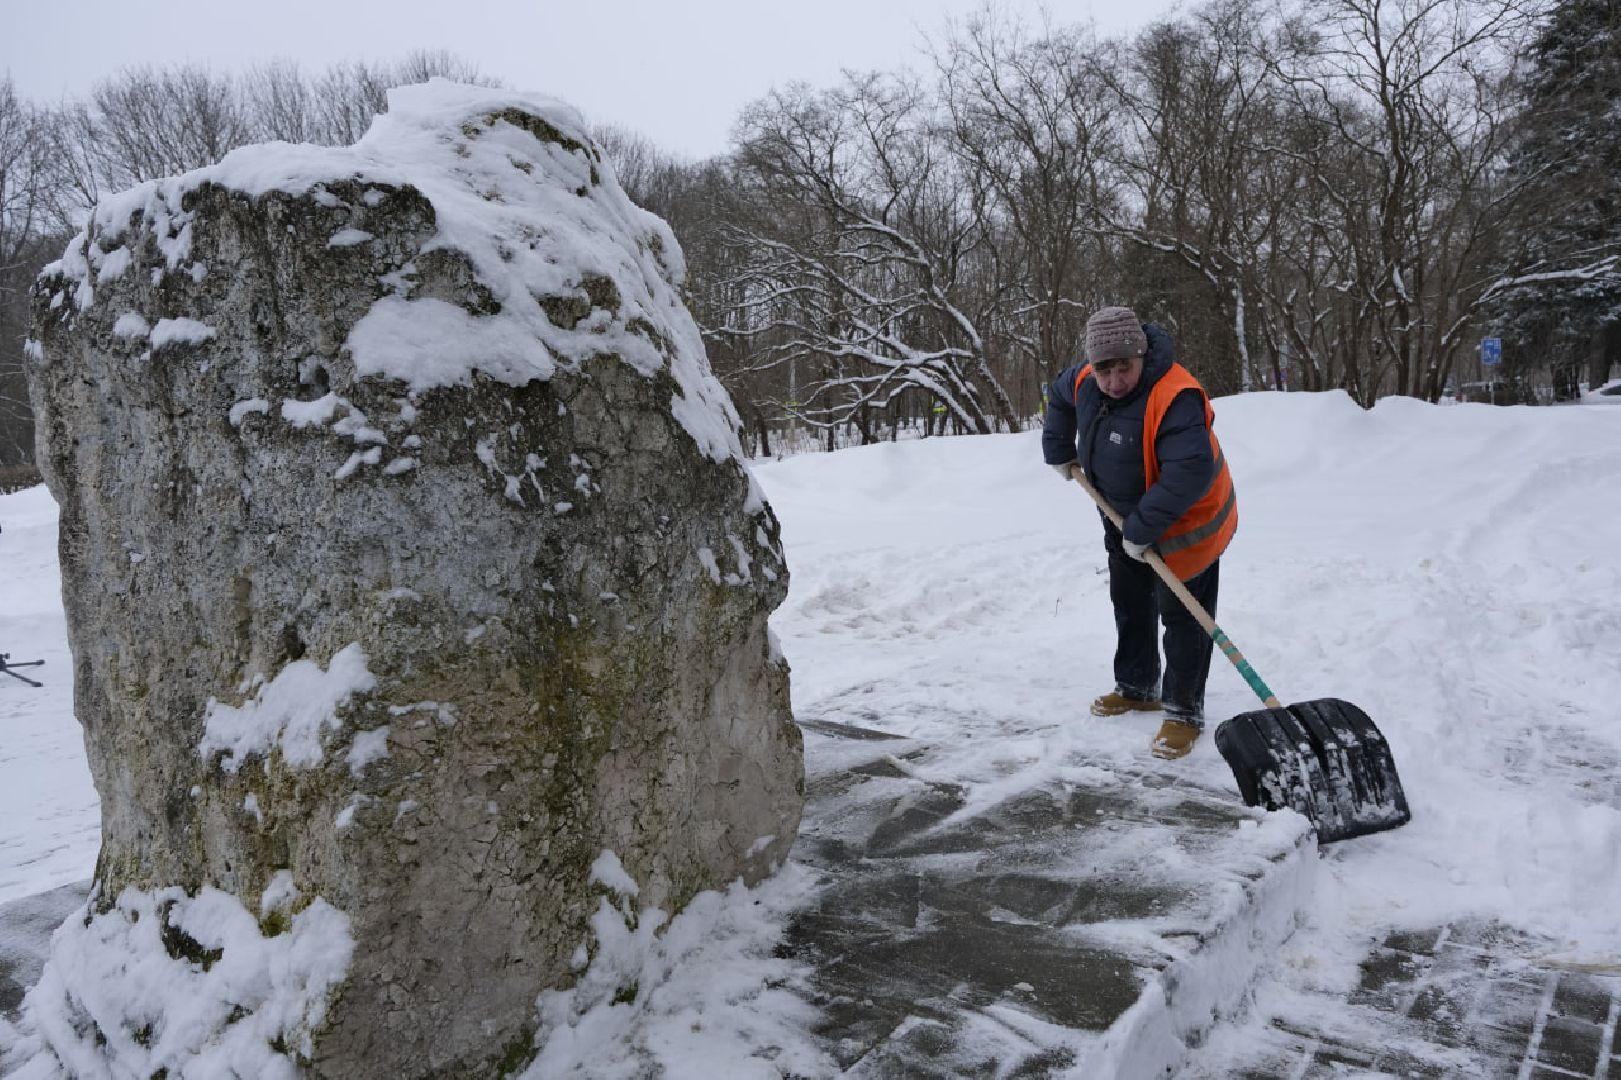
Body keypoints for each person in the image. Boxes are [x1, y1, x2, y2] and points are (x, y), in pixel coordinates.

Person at [1042, 306, 1237, 759]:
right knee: (1130, 599)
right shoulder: (1086, 380)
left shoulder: (1175, 396)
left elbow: (1189, 471)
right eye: (1102, 370)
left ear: (1140, 356)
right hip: (1120, 513)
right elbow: (1060, 393)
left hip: (1189, 522)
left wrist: (1145, 527)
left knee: (1184, 617)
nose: (1112, 381)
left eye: (1122, 368)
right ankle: (1136, 685)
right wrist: (1057, 446)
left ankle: (1183, 712)